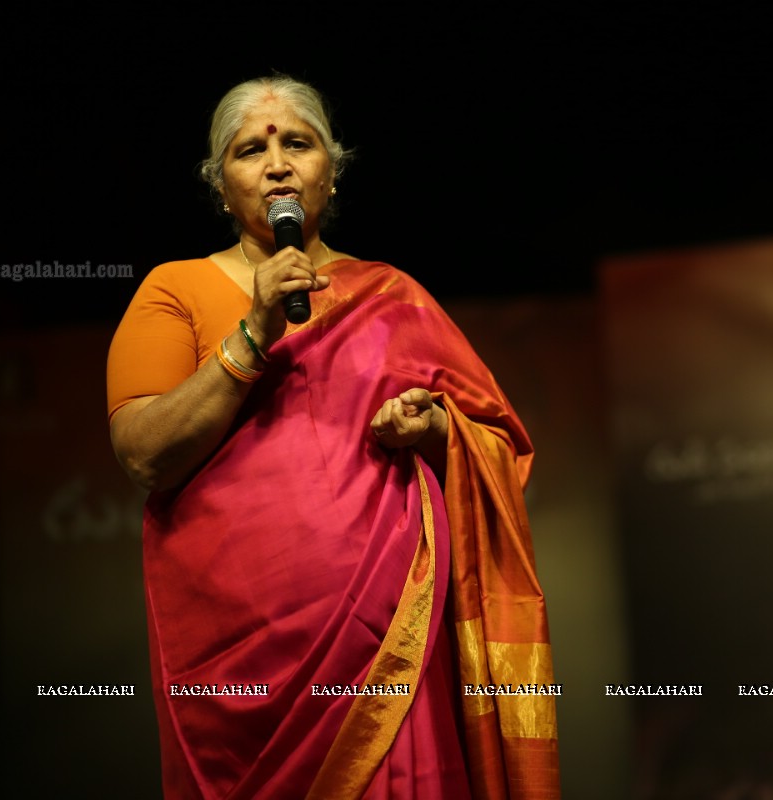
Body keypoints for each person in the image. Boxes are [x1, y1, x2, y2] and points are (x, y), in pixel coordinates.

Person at [107, 76, 560, 799]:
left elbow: (499, 449)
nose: (278, 163)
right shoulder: (175, 289)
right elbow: (143, 453)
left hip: (390, 651)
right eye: (250, 149)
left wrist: (438, 430)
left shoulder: (392, 294)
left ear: (331, 171)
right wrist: (255, 331)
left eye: (298, 143)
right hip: (236, 669)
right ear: (221, 187)